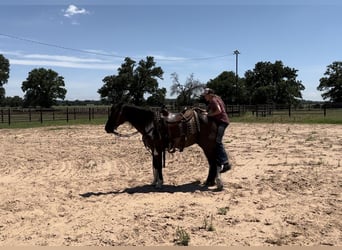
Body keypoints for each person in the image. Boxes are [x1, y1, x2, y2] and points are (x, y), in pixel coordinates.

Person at [202, 88, 232, 173]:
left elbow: (219, 110)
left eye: (205, 95)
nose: (205, 97)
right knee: (216, 141)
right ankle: (220, 160)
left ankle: (225, 163)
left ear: (210, 94)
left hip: (222, 122)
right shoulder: (216, 99)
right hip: (222, 121)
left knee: (217, 141)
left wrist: (209, 115)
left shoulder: (213, 100)